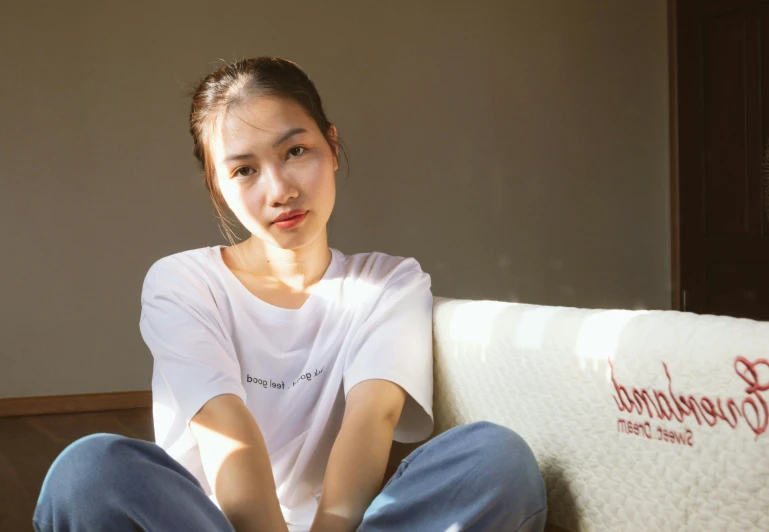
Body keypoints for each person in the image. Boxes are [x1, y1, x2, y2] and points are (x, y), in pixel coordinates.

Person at [33, 57, 547, 532]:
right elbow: (225, 432)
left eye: (295, 151)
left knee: (495, 457)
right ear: (218, 186)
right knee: (89, 470)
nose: (279, 189)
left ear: (332, 144)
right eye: (244, 170)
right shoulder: (182, 281)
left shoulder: (390, 282)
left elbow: (373, 419)